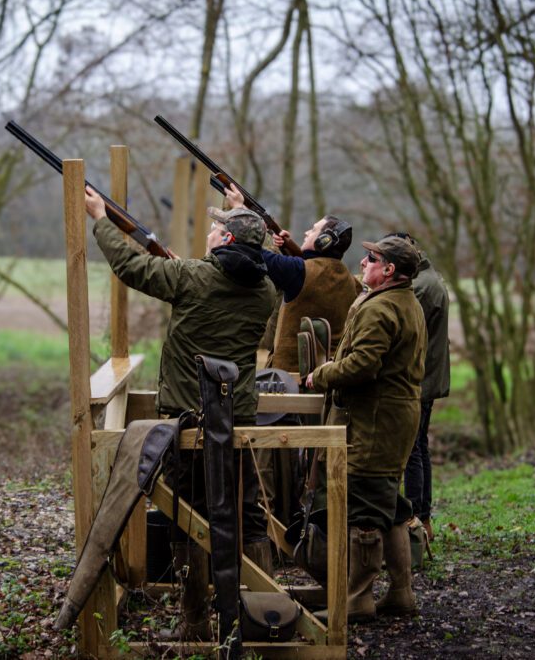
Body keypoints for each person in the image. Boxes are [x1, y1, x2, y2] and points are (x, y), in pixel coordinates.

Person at [83, 187, 276, 639]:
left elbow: (131, 267)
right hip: (237, 418)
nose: (210, 232)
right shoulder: (266, 292)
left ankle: (195, 624)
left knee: (186, 516)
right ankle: (263, 617)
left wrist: (100, 219)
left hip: (191, 419)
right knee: (246, 515)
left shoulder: (191, 277)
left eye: (217, 228)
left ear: (226, 241)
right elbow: (222, 281)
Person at [305, 235, 427, 622]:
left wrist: (322, 374)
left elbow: (362, 365)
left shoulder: (382, 308)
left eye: (371, 258)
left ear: (389, 269)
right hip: (392, 418)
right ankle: (401, 594)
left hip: (375, 422)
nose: (362, 262)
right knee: (391, 506)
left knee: (364, 513)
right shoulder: (402, 301)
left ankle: (357, 600)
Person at [224, 185, 361, 526]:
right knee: (305, 464)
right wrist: (291, 248)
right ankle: (299, 525)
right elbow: (309, 271)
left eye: (313, 230)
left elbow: (250, 251)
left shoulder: (300, 273)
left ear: (324, 241)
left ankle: (271, 527)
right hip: (322, 385)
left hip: (286, 384)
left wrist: (241, 212)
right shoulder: (348, 279)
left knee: (271, 460)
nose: (306, 232)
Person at [405, 238, 451, 544]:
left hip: (420, 380)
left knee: (412, 450)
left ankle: (417, 522)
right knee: (419, 447)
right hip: (428, 378)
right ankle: (423, 519)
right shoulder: (428, 278)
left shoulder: (420, 287)